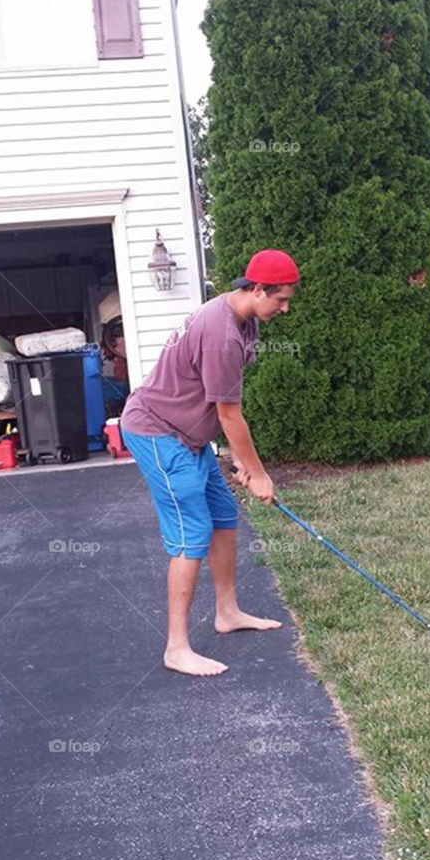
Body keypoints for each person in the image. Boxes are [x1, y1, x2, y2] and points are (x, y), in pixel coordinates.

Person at [120, 248, 300, 676]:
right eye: (281, 299)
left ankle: (227, 612)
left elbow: (219, 406)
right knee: (192, 532)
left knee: (223, 515)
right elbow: (229, 414)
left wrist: (238, 457)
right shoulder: (222, 334)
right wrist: (258, 473)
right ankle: (176, 648)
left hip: (191, 436)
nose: (286, 307)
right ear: (257, 289)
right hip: (158, 432)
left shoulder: (244, 318)